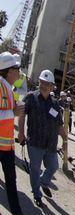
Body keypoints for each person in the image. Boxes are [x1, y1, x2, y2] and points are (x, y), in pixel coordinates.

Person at [18, 69, 67, 208]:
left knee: (53, 167)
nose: (43, 85)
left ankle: (44, 182)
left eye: (47, 83)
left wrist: (64, 140)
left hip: (51, 144)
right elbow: (22, 116)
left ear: (52, 86)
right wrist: (20, 133)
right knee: (35, 168)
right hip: (35, 142)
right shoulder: (30, 97)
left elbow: (59, 124)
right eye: (42, 82)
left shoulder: (55, 103)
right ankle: (37, 194)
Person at [0, 53, 24, 215]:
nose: (19, 72)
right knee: (10, 182)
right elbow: (8, 113)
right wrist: (13, 112)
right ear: (9, 71)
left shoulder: (8, 88)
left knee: (11, 182)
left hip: (7, 146)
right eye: (17, 68)